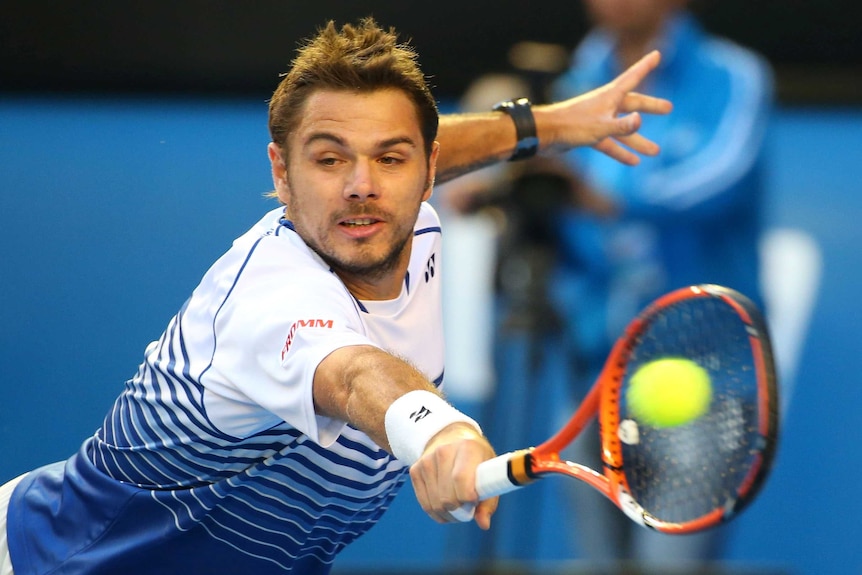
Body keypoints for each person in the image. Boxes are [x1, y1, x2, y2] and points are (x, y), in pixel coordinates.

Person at [0, 18, 671, 575]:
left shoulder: (417, 219)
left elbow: (427, 143)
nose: (361, 184)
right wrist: (441, 430)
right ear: (280, 173)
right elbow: (354, 376)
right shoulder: (273, 298)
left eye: (391, 158)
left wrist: (548, 125)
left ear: (427, 167)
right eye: (327, 158)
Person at [547, 0, 774, 567]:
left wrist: (606, 199)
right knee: (597, 564)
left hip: (703, 378)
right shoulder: (566, 82)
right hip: (589, 377)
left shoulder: (733, 74)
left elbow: (721, 174)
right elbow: (538, 185)